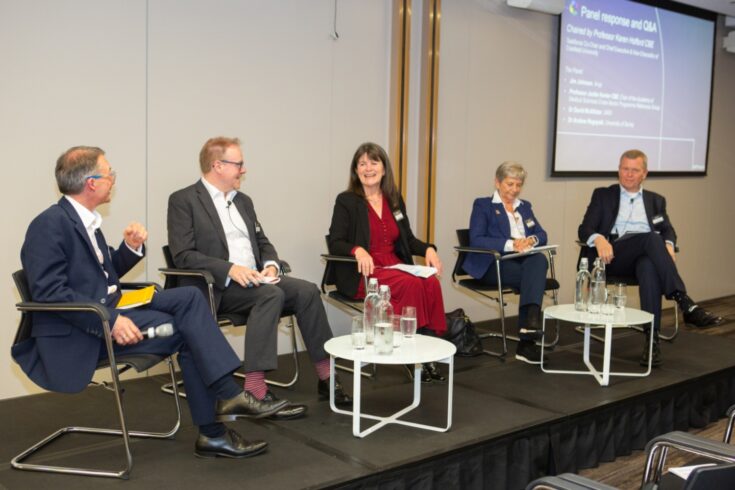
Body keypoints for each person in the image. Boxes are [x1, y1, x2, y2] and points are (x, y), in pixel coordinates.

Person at [15, 146, 291, 459]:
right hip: (83, 332)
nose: (113, 180)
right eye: (110, 174)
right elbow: (50, 293)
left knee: (189, 297)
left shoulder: (83, 221)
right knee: (189, 332)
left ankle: (226, 404)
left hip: (107, 312)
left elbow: (102, 279)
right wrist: (111, 319)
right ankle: (219, 417)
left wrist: (129, 250)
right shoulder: (49, 225)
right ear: (91, 183)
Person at [167, 137, 351, 410]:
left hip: (256, 280)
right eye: (238, 164)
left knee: (307, 290)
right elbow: (183, 254)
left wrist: (271, 264)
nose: (244, 169)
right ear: (217, 165)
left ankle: (326, 376)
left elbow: (262, 241)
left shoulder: (243, 201)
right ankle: (255, 389)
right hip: (217, 287)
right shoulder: (184, 200)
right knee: (270, 295)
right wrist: (231, 269)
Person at [578, 149, 722, 366]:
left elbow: (668, 230)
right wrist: (598, 239)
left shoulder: (656, 200)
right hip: (612, 256)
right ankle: (684, 302)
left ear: (644, 173)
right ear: (619, 170)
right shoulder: (603, 195)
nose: (628, 174)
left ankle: (652, 342)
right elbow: (584, 228)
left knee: (648, 266)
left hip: (641, 258)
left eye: (634, 170)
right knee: (652, 239)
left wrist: (669, 244)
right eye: (624, 169)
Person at [327, 142, 447, 383]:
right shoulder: (347, 200)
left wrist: (429, 249)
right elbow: (336, 241)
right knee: (410, 283)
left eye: (374, 162)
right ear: (355, 170)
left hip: (394, 264)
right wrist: (358, 249)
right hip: (364, 272)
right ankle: (414, 357)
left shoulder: (393, 199)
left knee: (430, 281)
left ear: (384, 169)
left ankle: (428, 347)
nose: (368, 168)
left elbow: (408, 240)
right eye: (362, 163)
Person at [463, 161, 549, 364]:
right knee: (533, 276)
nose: (514, 190)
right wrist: (512, 244)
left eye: (518, 185)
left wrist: (532, 240)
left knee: (538, 260)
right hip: (494, 263)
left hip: (524, 261)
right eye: (510, 184)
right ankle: (528, 337)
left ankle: (530, 324)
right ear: (497, 182)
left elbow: (542, 234)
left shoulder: (525, 206)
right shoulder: (483, 205)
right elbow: (477, 239)